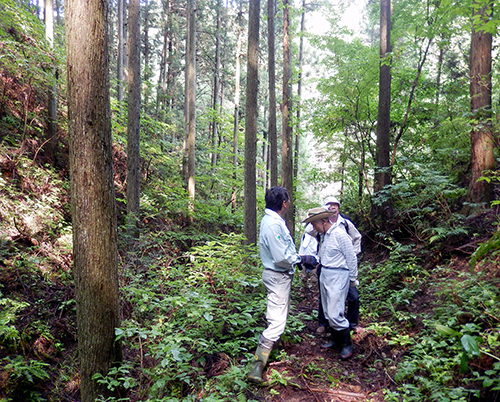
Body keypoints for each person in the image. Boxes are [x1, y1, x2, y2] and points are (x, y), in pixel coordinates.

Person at [247, 187, 317, 383]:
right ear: (284, 203)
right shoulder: (272, 225)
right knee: (276, 322)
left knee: (278, 317)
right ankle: (256, 367)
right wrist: (301, 258)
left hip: (279, 276)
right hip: (277, 276)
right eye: (288, 201)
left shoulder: (274, 221)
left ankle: (268, 355)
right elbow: (280, 257)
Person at [302, 207, 358, 360]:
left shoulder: (340, 234)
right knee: (327, 310)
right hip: (325, 273)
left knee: (335, 312)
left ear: (324, 221)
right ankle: (335, 340)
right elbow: (308, 230)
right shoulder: (324, 235)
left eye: (315, 224)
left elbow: (351, 257)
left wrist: (353, 279)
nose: (313, 227)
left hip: (338, 274)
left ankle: (347, 344)